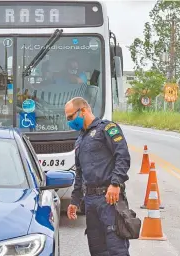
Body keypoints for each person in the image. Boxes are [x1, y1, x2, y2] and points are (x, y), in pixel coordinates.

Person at [65, 97, 131, 256]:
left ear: (83, 110)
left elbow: (123, 157)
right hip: (90, 201)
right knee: (97, 249)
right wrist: (75, 201)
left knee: (116, 248)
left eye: (70, 117)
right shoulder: (81, 138)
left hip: (109, 199)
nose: (68, 121)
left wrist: (115, 184)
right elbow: (80, 171)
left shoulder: (107, 128)